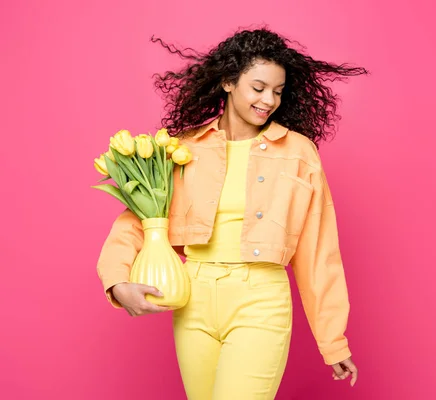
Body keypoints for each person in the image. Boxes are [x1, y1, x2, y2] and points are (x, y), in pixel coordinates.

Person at [96, 27, 368, 400]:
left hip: (261, 300)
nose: (269, 100)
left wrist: (332, 340)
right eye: (258, 88)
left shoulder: (299, 152)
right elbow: (139, 219)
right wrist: (117, 281)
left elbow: (319, 252)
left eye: (278, 90)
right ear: (227, 82)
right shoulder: (184, 148)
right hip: (193, 300)